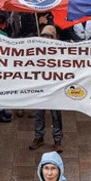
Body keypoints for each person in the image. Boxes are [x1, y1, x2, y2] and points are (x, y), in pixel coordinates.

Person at [30, 25, 65, 153]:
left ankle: (57, 139)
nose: (46, 38)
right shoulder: (36, 51)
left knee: (56, 115)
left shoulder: (61, 51)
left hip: (54, 88)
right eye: (44, 35)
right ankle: (38, 137)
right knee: (39, 114)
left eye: (49, 36)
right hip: (40, 88)